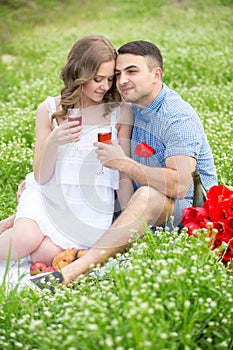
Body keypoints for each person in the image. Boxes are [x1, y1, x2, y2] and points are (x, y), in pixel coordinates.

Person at [49, 39, 217, 288]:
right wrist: (37, 182)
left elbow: (181, 185)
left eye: (132, 71)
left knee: (147, 195)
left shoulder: (177, 117)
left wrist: (124, 163)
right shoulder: (130, 108)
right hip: (138, 208)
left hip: (190, 214)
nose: (122, 80)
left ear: (155, 74)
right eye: (118, 74)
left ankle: (73, 273)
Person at [0, 35, 133, 266]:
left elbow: (124, 174)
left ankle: (13, 221)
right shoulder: (49, 109)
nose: (105, 86)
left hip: (89, 206)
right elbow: (41, 176)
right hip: (49, 195)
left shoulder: (119, 113)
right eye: (97, 79)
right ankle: (17, 225)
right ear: (78, 73)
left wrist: (127, 220)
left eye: (110, 79)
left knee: (43, 256)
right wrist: (54, 141)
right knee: (23, 240)